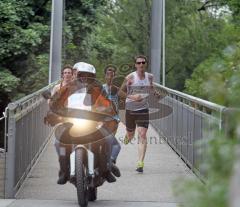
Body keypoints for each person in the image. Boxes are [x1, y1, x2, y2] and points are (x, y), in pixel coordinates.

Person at [48, 62, 120, 183]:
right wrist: (53, 113)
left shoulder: (98, 89)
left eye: (89, 75)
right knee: (58, 143)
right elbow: (55, 102)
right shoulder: (68, 88)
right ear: (77, 75)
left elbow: (107, 103)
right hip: (71, 122)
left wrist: (108, 112)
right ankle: (63, 171)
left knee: (108, 140)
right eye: (82, 75)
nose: (85, 78)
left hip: (92, 123)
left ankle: (106, 169)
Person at [118, 55, 155, 173]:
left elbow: (151, 87)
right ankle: (127, 136)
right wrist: (132, 96)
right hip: (130, 109)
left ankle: (140, 163)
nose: (141, 65)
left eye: (143, 63)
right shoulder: (130, 77)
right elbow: (120, 92)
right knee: (131, 135)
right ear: (135, 65)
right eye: (138, 63)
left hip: (143, 109)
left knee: (142, 134)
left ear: (146, 64)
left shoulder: (149, 77)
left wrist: (155, 93)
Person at [102, 65, 121, 165]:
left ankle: (110, 159)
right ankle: (109, 159)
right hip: (102, 118)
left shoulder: (117, 89)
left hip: (114, 118)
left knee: (110, 139)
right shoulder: (101, 88)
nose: (110, 77)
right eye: (108, 74)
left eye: (112, 75)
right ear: (105, 76)